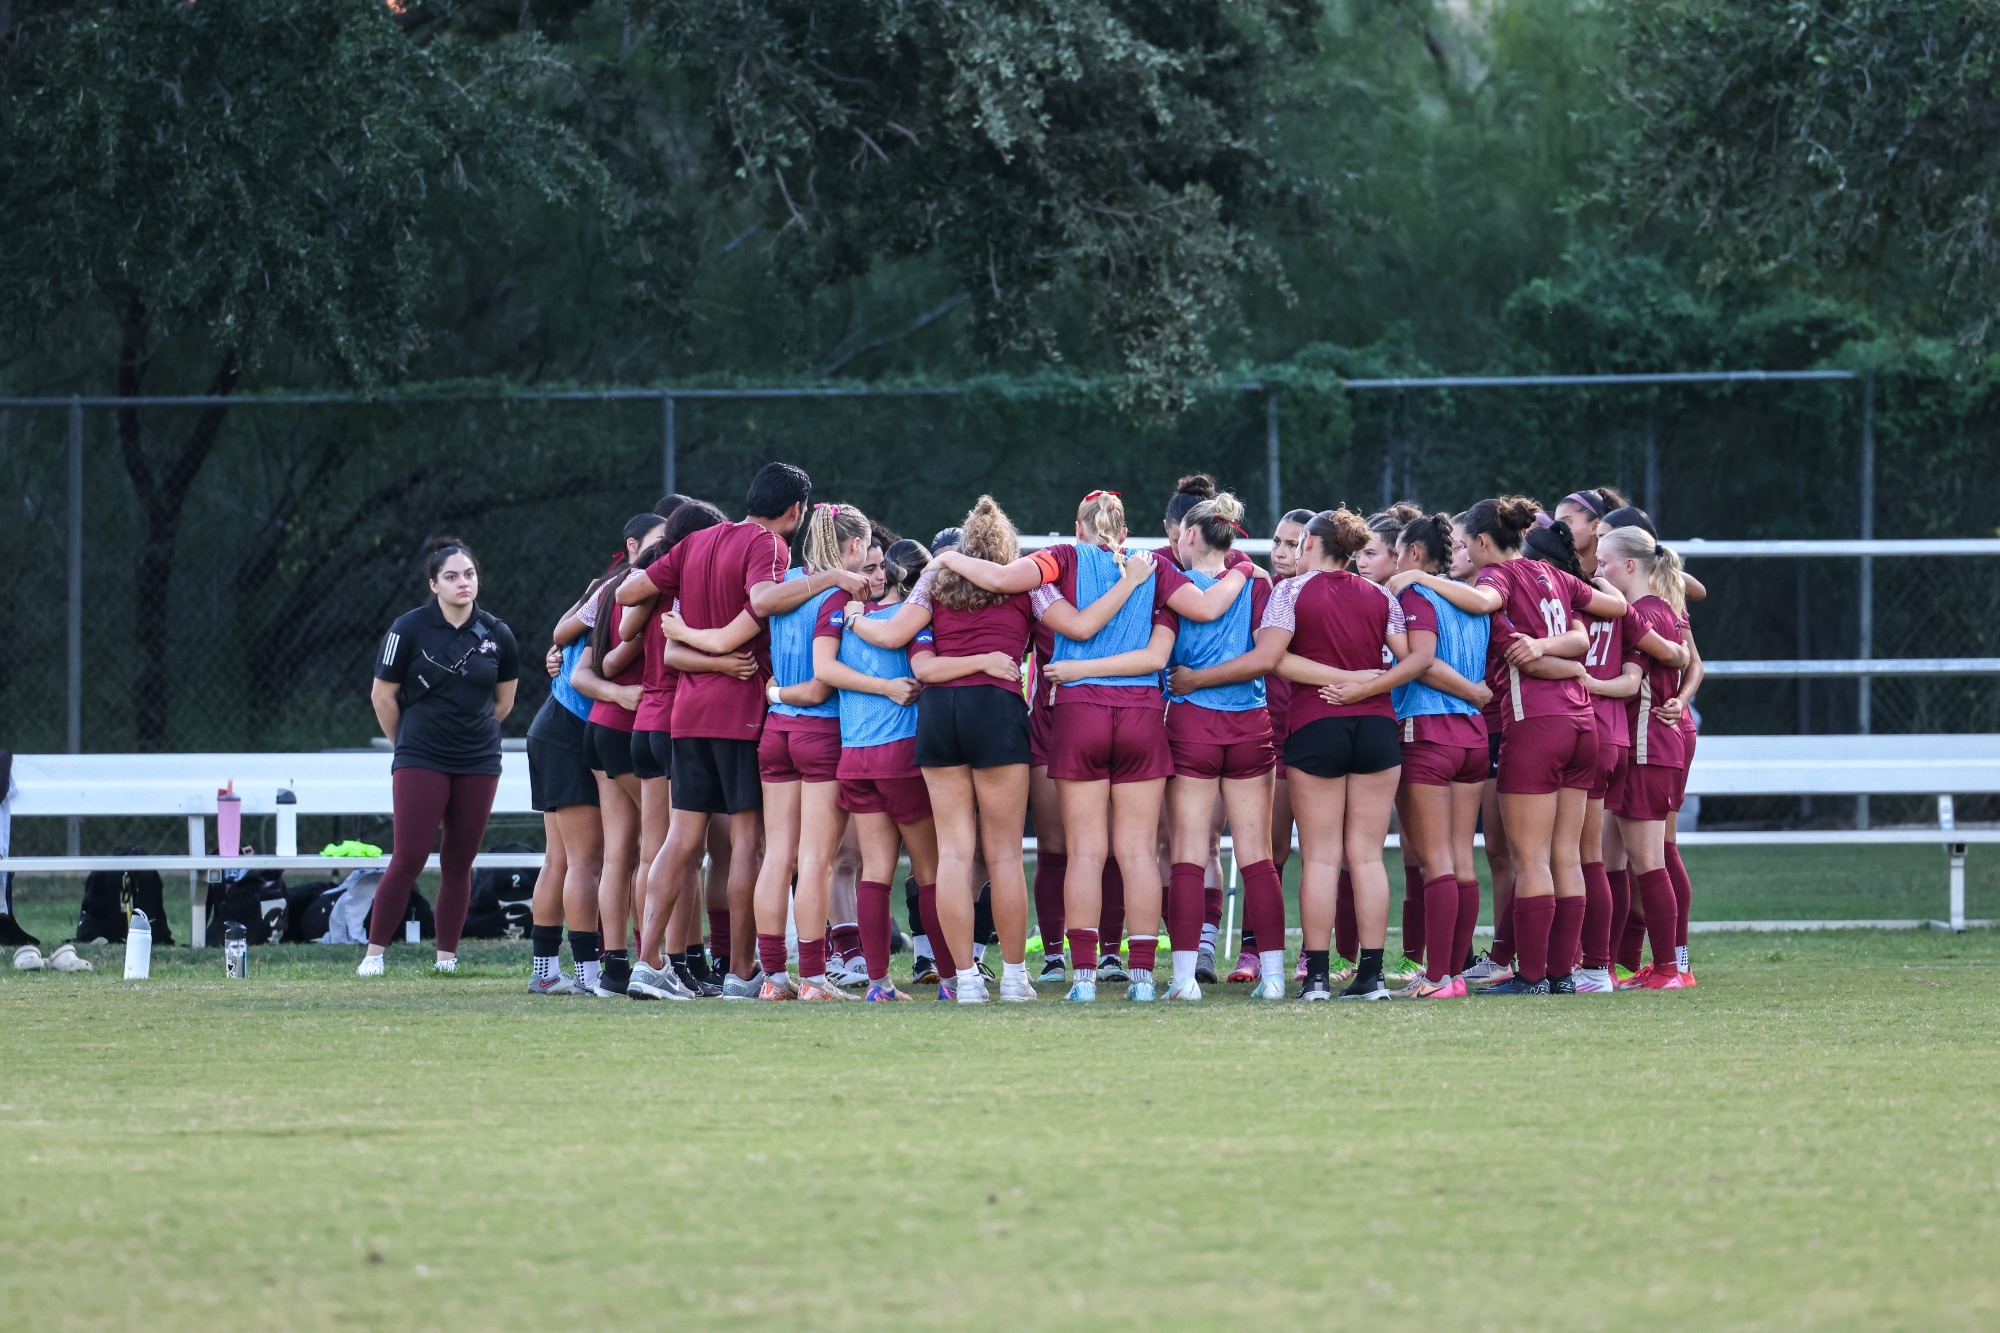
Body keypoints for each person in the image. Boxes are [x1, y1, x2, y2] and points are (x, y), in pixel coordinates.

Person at [928, 490, 1249, 1003]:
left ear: (1078, 527)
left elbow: (1003, 578)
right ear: (1123, 533)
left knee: (1084, 853)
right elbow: (1208, 609)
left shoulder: (1061, 559)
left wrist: (947, 555)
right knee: (1139, 852)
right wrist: (1240, 572)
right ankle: (1143, 979)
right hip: (1142, 714)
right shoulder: (1152, 567)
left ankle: (1082, 979)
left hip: (1079, 713)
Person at [614, 463, 867, 1002]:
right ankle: (741, 972)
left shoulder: (697, 540)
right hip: (741, 713)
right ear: (795, 511)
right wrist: (830, 577)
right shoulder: (770, 546)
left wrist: (683, 627)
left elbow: (628, 592)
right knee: (748, 846)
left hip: (685, 714)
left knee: (679, 841)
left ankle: (647, 963)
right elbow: (764, 602)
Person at [1392, 498, 1628, 996]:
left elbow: (1487, 610)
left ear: (1482, 543)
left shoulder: (1495, 580)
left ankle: (1533, 974)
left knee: (1532, 859)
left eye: (1462, 545)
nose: (1459, 554)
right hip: (1582, 720)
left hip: (1536, 724)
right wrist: (1565, 655)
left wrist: (1422, 579)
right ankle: (1565, 974)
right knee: (1566, 855)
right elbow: (1610, 612)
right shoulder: (1551, 574)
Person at [1247, 509, 1433, 1000]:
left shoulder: (1290, 591)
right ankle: (1372, 977)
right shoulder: (1379, 594)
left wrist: (1341, 684)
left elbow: (1273, 658)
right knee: (1368, 857)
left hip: (1317, 725)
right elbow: (1412, 658)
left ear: (1309, 543)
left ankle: (1317, 977)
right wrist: (1361, 683)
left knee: (1323, 859)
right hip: (1376, 727)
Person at [362, 537, 519, 976]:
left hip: (479, 759)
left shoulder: (497, 633)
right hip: (420, 756)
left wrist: (474, 734)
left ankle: (446, 957)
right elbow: (382, 696)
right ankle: (374, 954)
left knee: (459, 861)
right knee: (409, 855)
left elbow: (503, 703)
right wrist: (408, 742)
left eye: (468, 575)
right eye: (451, 576)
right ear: (434, 584)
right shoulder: (408, 628)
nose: (462, 583)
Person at [1159, 492, 1283, 999]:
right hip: (1251, 725)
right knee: (1257, 857)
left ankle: (1185, 978)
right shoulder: (1258, 581)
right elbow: (1263, 657)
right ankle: (1274, 977)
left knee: (1188, 854)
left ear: (1190, 534)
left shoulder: (1172, 581)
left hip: (1192, 726)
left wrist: (1195, 681)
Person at [1384, 513, 1494, 998]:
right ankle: (1451, 975)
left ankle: (1437, 977)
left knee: (1436, 864)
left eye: (1397, 550)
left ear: (1414, 555)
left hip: (1429, 730)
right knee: (1461, 862)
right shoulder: (1467, 596)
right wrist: (1474, 696)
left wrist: (1469, 691)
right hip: (1472, 737)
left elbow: (1422, 664)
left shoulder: (1415, 594)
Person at [818, 537, 932, 1000]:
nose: (876, 573)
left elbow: (824, 670)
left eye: (879, 565)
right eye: (868, 568)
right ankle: (950, 980)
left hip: (855, 757)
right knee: (930, 872)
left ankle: (880, 984)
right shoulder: (913, 619)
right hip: (899, 755)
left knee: (875, 872)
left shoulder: (841, 615)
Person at [1594, 525, 1694, 989]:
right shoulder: (1656, 608)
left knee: (1650, 863)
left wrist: (1582, 681)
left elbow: (1649, 675)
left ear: (1629, 566)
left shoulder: (1644, 614)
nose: (1598, 571)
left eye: (1605, 562)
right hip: (1651, 747)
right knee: (1625, 859)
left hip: (1647, 748)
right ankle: (1630, 964)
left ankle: (1673, 968)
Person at [1225, 506, 1314, 985]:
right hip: (1271, 737)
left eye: (1293, 544)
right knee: (1269, 851)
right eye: (1277, 541)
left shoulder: (1319, 595)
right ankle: (1254, 950)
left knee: (1326, 853)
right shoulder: (1260, 588)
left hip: (1319, 734)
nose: (1281, 552)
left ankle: (1318, 952)